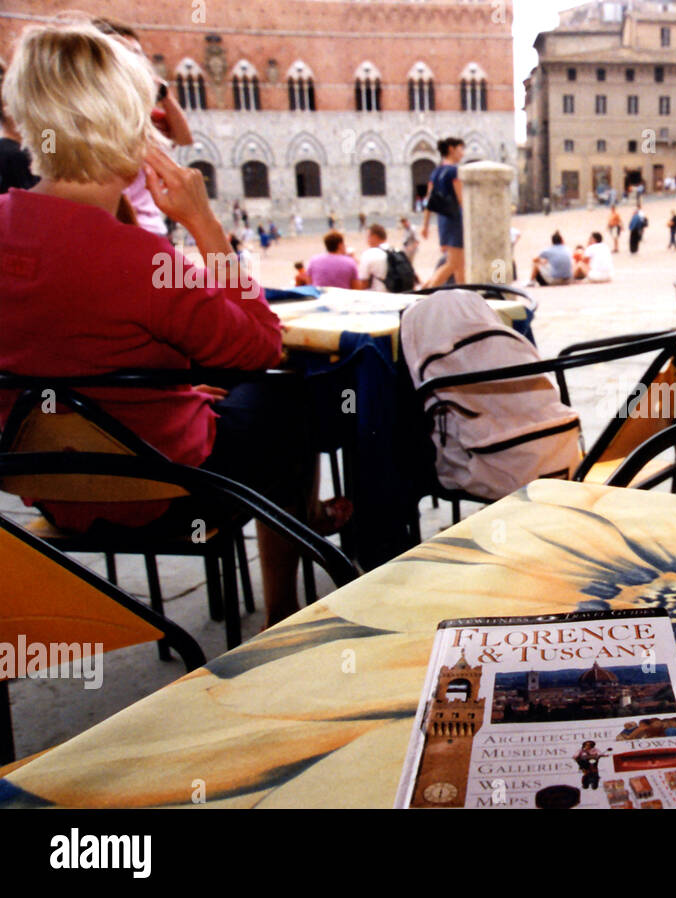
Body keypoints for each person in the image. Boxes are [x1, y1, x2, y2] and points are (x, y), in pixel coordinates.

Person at [0, 19, 313, 626]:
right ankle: (283, 610)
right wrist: (205, 226)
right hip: (158, 489)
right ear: (130, 126)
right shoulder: (141, 260)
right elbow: (259, 344)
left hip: (48, 487)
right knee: (286, 399)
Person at [93, 19, 192, 237]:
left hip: (150, 232)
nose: (137, 60)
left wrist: (163, 92)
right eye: (126, 53)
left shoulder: (144, 116)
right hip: (119, 233)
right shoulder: (92, 116)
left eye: (138, 53)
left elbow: (185, 138)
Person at [420, 137, 465, 286]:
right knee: (453, 264)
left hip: (443, 221)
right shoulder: (454, 171)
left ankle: (463, 296)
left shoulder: (436, 172)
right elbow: (461, 200)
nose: (463, 153)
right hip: (456, 220)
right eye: (461, 149)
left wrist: (425, 225)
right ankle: (426, 292)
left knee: (459, 264)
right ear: (452, 149)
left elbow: (429, 201)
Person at [354, 223, 394, 292]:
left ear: (374, 237)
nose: (367, 240)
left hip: (379, 296)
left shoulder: (369, 254)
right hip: (397, 293)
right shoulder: (394, 250)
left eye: (368, 236)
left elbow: (363, 283)